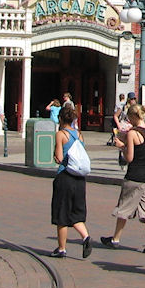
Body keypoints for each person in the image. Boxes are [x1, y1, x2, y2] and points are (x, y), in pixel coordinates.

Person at [101, 101, 145, 252]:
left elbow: (129, 158)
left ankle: (115, 239)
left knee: (124, 208)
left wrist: (122, 146)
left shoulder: (133, 133)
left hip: (134, 176)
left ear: (133, 117)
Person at [49, 106, 92, 258]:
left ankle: (61, 248)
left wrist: (56, 156)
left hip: (65, 177)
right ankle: (86, 237)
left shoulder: (61, 134)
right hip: (79, 178)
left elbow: (60, 158)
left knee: (62, 213)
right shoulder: (79, 135)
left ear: (60, 119)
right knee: (76, 213)